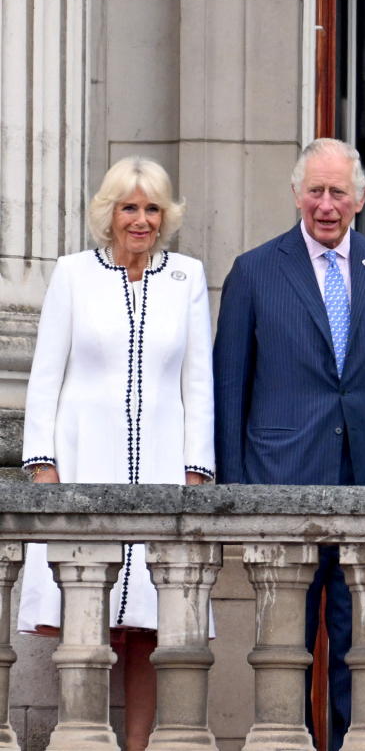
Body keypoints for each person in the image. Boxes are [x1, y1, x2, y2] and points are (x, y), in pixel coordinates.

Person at [213, 138, 365, 751]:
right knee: (284, 646)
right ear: (297, 193)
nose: (327, 205)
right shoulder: (254, 269)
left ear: (361, 198)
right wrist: (235, 489)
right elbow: (230, 385)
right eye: (316, 191)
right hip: (281, 479)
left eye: (338, 193)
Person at [20, 156, 214, 751]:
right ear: (110, 213)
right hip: (84, 465)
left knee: (148, 630)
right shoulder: (75, 274)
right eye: (130, 207)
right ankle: (84, 739)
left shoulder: (187, 275)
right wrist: (42, 462)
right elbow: (45, 375)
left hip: (160, 468)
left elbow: (197, 381)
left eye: (152, 207)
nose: (141, 219)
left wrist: (195, 471)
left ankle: (137, 746)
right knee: (87, 617)